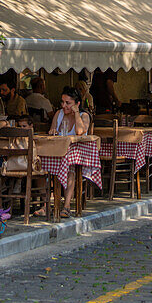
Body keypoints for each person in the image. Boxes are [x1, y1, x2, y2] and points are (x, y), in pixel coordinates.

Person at [48, 87, 90, 218]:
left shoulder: (84, 116)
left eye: (68, 103)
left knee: (69, 167)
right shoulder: (59, 114)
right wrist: (52, 132)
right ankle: (46, 205)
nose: (64, 106)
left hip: (77, 153)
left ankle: (66, 206)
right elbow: (53, 131)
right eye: (62, 102)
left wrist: (76, 113)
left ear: (77, 104)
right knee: (42, 164)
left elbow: (79, 132)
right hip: (58, 151)